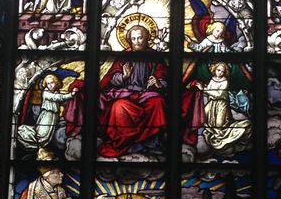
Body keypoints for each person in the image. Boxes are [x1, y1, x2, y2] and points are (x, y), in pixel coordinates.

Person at [94, 16, 204, 157]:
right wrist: (124, 77)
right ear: (129, 40)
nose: (137, 41)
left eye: (140, 38)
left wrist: (158, 82)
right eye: (133, 39)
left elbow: (166, 79)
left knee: (158, 102)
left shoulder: (154, 56)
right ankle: (123, 143)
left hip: (148, 93)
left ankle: (153, 143)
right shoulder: (124, 56)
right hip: (126, 93)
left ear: (146, 39)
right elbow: (111, 79)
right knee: (118, 106)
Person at [15, 72, 77, 159]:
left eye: (52, 83)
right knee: (42, 134)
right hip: (47, 115)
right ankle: (33, 143)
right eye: (48, 83)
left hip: (54, 116)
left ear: (56, 83)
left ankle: (41, 147)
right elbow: (57, 98)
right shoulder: (46, 93)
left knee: (48, 136)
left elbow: (60, 100)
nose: (50, 85)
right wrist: (71, 95)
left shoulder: (56, 91)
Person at [200, 61, 251, 155]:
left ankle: (230, 134)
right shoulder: (212, 79)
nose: (220, 73)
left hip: (221, 104)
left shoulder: (225, 82)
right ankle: (214, 135)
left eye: (222, 71)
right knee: (203, 117)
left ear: (225, 73)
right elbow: (210, 93)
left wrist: (205, 89)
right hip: (212, 103)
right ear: (214, 70)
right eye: (218, 70)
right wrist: (204, 90)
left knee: (219, 124)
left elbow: (218, 94)